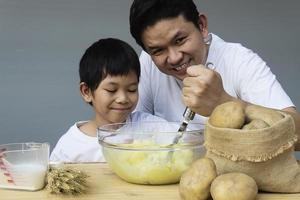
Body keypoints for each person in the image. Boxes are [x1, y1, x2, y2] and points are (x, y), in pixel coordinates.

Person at [129, 0, 300, 150]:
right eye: (158, 50)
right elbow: (130, 129)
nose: (174, 58)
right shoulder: (148, 62)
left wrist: (225, 102)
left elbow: (298, 134)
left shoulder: (239, 60)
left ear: (202, 26)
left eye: (180, 40)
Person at [50, 38, 166, 162]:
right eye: (111, 90)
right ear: (86, 92)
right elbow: (53, 178)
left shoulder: (148, 127)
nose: (123, 98)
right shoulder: (71, 145)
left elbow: (184, 137)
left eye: (132, 89)